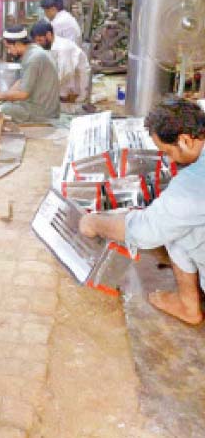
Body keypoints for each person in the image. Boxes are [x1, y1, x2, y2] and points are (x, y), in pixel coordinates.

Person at [80, 98, 205, 325]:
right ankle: (189, 301)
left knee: (172, 228)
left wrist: (94, 222)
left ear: (186, 139)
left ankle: (188, 306)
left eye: (167, 152)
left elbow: (145, 232)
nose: (168, 159)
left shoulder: (193, 185)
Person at [0, 25, 60, 123]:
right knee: (3, 104)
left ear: (18, 43)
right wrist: (2, 98)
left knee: (3, 109)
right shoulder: (32, 52)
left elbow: (23, 94)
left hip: (44, 112)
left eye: (8, 47)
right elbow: (20, 82)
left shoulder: (34, 58)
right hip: (39, 105)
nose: (9, 51)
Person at [30, 21, 91, 109]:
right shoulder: (50, 45)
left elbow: (64, 73)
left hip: (76, 89)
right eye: (36, 41)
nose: (38, 43)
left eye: (40, 40)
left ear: (48, 35)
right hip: (63, 87)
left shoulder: (64, 48)